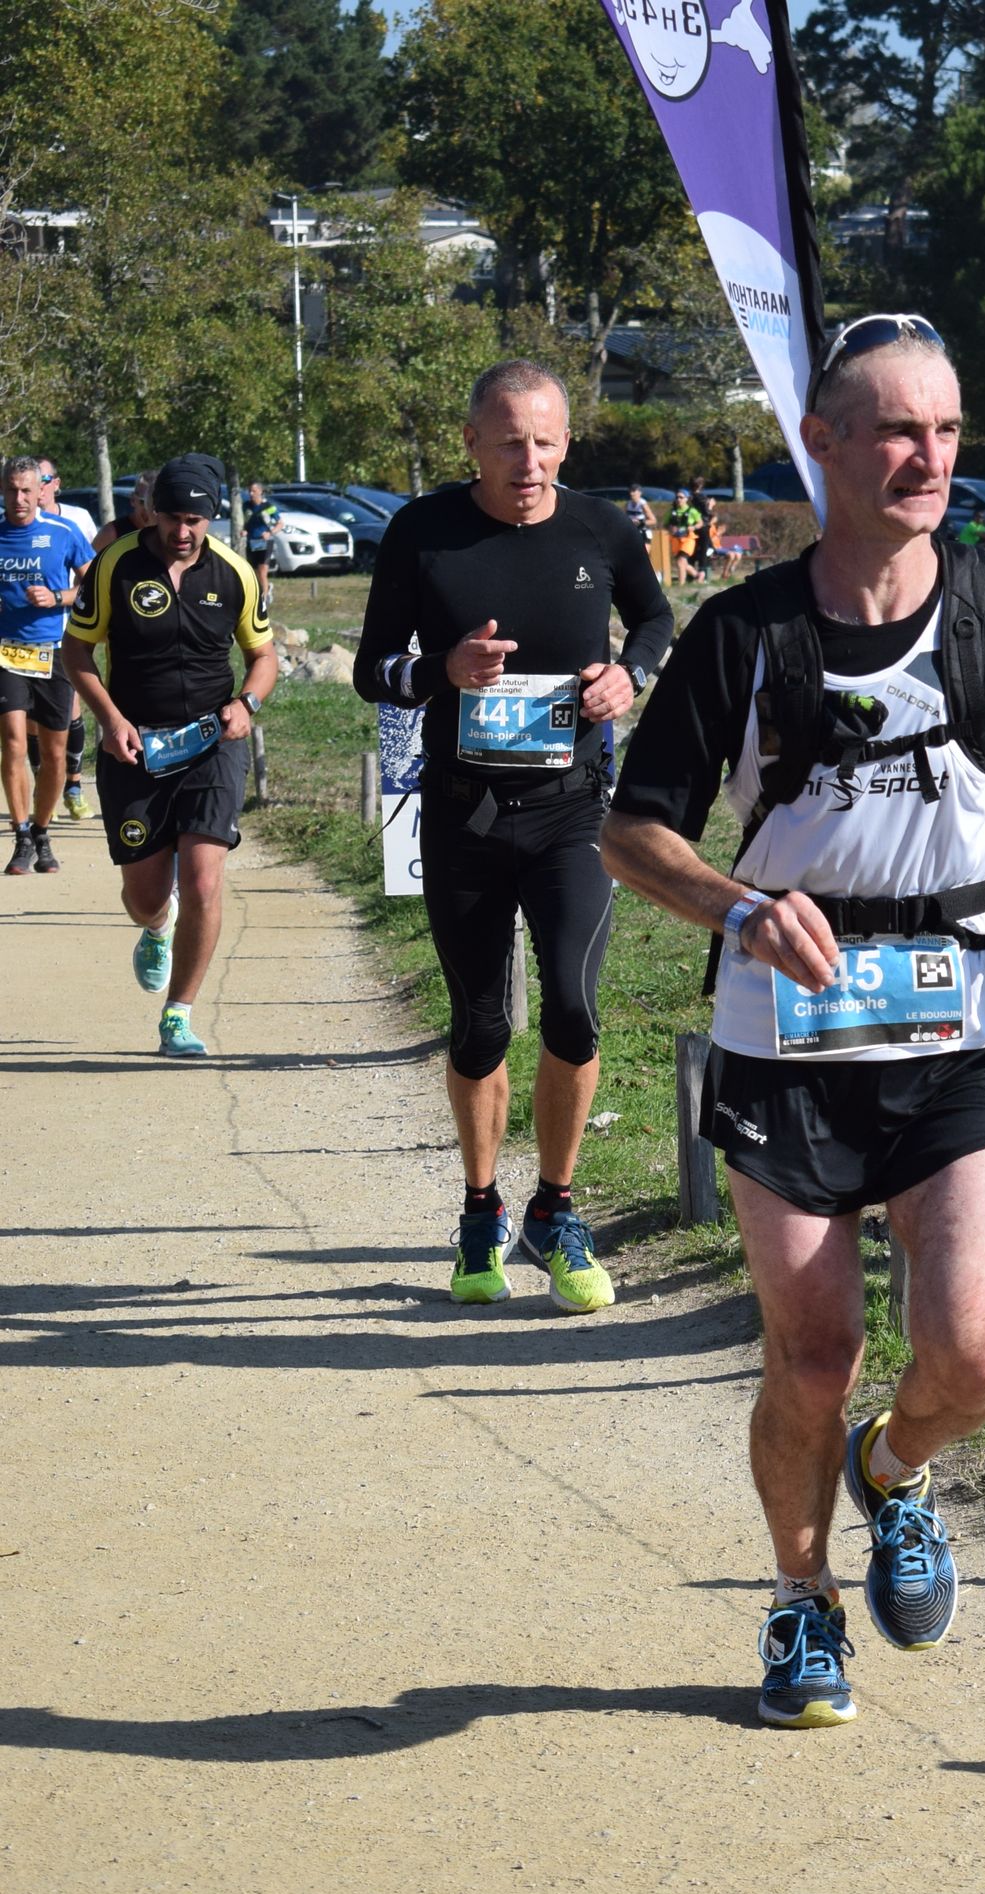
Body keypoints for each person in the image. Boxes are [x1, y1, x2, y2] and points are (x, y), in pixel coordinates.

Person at [602, 310, 985, 1729]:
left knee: (977, 1353)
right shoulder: (744, 634)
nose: (929, 456)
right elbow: (632, 830)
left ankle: (893, 1469)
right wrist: (738, 909)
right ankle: (802, 1599)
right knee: (813, 1354)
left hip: (963, 1022)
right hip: (787, 1044)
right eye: (900, 429)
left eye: (947, 429)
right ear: (825, 442)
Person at [353, 359, 675, 1311]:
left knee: (574, 1008)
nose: (528, 462)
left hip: (573, 810)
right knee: (482, 1023)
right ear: (472, 444)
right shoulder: (423, 532)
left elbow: (654, 618)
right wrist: (441, 672)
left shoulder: (601, 528)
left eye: (543, 443)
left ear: (566, 444)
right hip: (464, 813)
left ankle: (557, 1210)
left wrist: (630, 674)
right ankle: (481, 1207)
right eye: (508, 444)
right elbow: (374, 668)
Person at [61, 453, 279, 1058]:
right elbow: (76, 651)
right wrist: (110, 720)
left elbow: (263, 657)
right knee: (145, 897)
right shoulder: (115, 565)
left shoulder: (235, 572)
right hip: (133, 746)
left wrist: (247, 704)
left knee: (204, 881)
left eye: (195, 520)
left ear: (212, 518)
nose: (183, 532)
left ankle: (178, 1016)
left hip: (212, 743)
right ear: (155, 513)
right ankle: (158, 927)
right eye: (173, 518)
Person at [1, 458, 93, 874]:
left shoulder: (63, 532)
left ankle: (41, 831)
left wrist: (57, 598)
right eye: (11, 490)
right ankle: (21, 834)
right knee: (14, 742)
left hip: (53, 650)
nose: (19, 499)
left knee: (55, 754)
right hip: (5, 651)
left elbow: (93, 584)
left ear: (41, 490)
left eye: (26, 490)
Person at [240, 481, 281, 593]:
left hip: (265, 542)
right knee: (254, 572)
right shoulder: (246, 506)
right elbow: (245, 523)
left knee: (262, 571)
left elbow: (280, 524)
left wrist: (270, 533)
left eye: (254, 491)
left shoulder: (268, 506)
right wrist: (244, 531)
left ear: (260, 491)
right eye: (249, 491)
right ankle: (266, 588)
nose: (251, 493)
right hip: (251, 542)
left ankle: (264, 599)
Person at [667, 487, 706, 584]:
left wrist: (693, 527)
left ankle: (681, 585)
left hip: (688, 539)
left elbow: (700, 523)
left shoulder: (692, 511)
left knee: (681, 560)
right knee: (682, 562)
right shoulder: (672, 512)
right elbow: (666, 524)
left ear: (686, 499)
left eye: (681, 497)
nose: (678, 499)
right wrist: (670, 528)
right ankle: (697, 576)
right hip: (676, 539)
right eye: (677, 497)